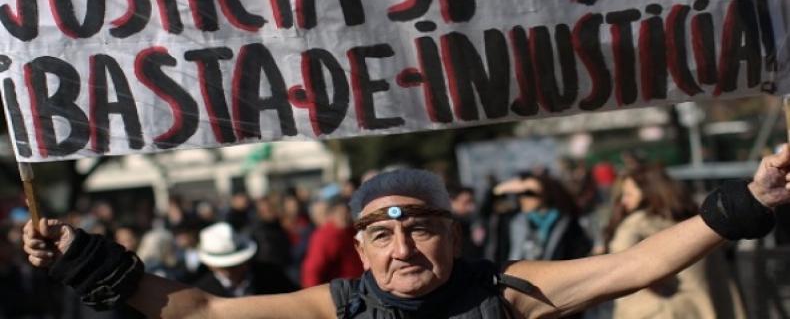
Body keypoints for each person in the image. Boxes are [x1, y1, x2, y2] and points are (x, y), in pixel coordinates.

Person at [21, 146, 790, 318]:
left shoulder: (508, 292)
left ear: (453, 238)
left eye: (421, 232)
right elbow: (204, 313)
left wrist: (749, 201)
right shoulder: (342, 305)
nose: (403, 250)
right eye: (383, 238)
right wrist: (84, 258)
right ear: (359, 249)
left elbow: (637, 262)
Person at [604, 165, 745, 319]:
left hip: (660, 311)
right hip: (705, 306)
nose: (624, 201)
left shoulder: (635, 224)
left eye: (629, 194)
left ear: (647, 193)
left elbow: (619, 266)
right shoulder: (699, 221)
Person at [495, 173, 592, 261]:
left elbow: (579, 252)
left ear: (545, 195)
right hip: (519, 276)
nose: (523, 198)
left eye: (529, 194)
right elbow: (495, 192)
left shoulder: (567, 223)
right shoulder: (515, 221)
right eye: (520, 194)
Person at [193, 222, 298, 297]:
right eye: (224, 267)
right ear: (210, 266)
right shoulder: (201, 292)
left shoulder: (272, 275)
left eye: (236, 264)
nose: (231, 270)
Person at [301, 197, 363, 288]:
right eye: (340, 213)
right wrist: (315, 297)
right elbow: (312, 270)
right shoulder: (325, 236)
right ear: (331, 215)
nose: (344, 216)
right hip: (340, 293)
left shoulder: (353, 231)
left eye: (346, 212)